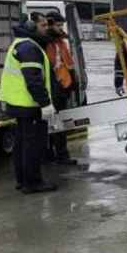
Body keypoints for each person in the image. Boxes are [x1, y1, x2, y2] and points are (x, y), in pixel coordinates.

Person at [0, 12, 58, 194]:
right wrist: (45, 103)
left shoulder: (20, 44)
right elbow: (33, 80)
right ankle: (32, 182)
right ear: (32, 27)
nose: (46, 28)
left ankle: (22, 180)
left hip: (17, 104)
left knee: (21, 144)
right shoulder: (30, 48)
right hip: (28, 105)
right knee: (32, 145)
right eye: (43, 25)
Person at [45, 11, 78, 166]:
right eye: (59, 25)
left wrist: (73, 80)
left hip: (62, 87)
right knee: (55, 124)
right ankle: (57, 155)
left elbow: (69, 63)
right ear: (51, 24)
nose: (61, 28)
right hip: (54, 89)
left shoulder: (60, 42)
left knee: (58, 124)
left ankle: (57, 154)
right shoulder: (46, 43)